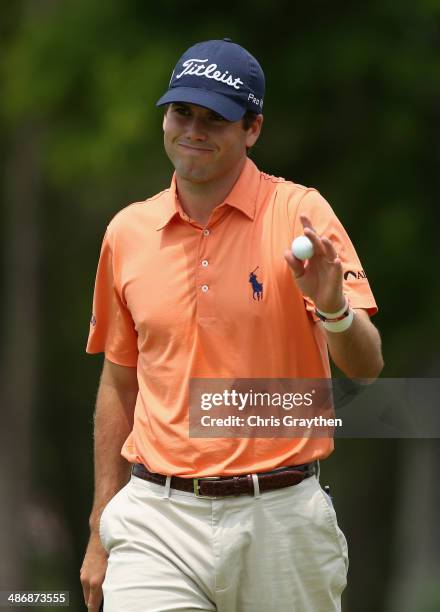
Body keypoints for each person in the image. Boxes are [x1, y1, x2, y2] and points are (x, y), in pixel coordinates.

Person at [80, 38, 383, 612]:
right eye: (181, 113)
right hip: (155, 518)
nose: (193, 130)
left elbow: (365, 366)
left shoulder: (301, 214)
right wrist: (100, 523)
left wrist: (333, 310)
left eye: (215, 118)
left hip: (280, 516)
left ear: (252, 129)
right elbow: (120, 380)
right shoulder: (127, 232)